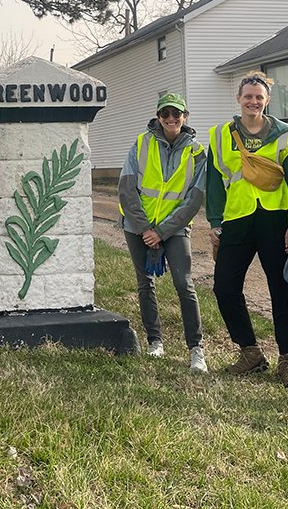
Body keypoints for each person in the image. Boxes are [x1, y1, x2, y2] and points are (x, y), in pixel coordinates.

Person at [206, 71, 288, 388]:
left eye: (259, 97)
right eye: (248, 96)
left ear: (267, 100)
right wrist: (215, 222)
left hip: (275, 219)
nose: (253, 101)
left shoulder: (286, 135)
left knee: (284, 290)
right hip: (236, 218)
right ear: (239, 99)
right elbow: (214, 180)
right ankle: (250, 352)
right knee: (224, 286)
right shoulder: (221, 134)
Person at [119, 93, 208, 373]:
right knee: (145, 283)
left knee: (184, 284)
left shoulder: (196, 152)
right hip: (138, 228)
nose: (171, 118)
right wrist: (146, 229)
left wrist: (162, 231)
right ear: (158, 117)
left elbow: (194, 199)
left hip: (175, 229)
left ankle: (196, 349)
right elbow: (126, 188)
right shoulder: (141, 144)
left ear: (185, 116)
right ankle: (154, 341)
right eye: (165, 113)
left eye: (177, 113)